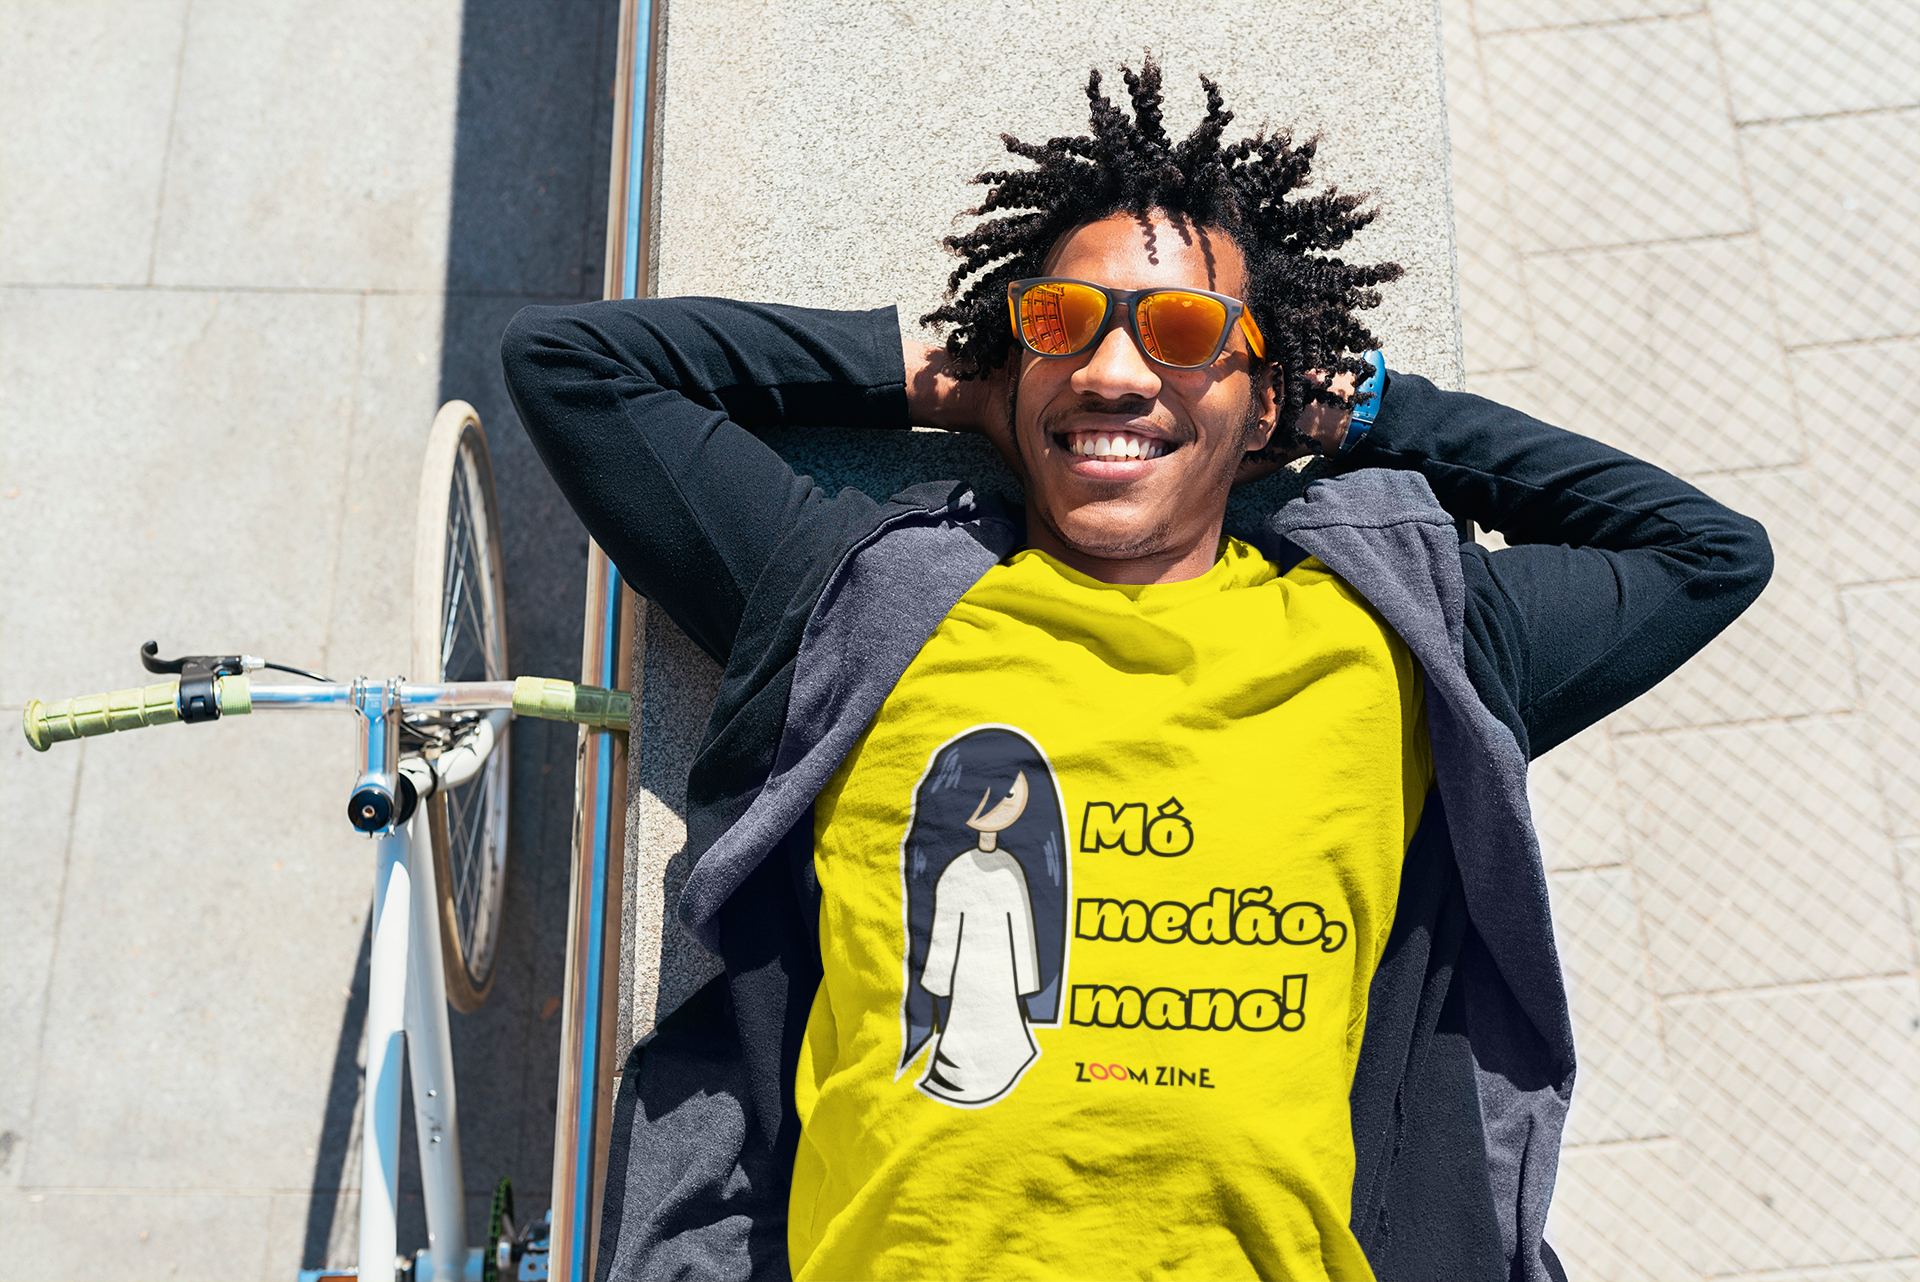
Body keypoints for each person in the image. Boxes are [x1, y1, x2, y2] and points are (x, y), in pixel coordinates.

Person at [502, 57, 1770, 1282]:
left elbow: (1705, 555)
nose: (1114, 371)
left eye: (1181, 333)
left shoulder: (1385, 634)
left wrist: (1367, 407)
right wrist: (955, 382)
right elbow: (575, 369)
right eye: (1062, 323)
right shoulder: (872, 596)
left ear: (1263, 403)